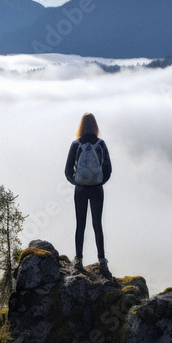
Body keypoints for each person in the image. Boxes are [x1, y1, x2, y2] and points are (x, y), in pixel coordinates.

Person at [65, 112, 112, 273]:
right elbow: (108, 170)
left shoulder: (76, 144)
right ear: (95, 126)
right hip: (97, 189)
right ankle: (102, 260)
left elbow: (67, 171)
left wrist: (78, 183)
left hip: (80, 190)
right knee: (97, 224)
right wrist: (98, 183)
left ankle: (78, 259)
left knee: (81, 224)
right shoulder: (101, 144)